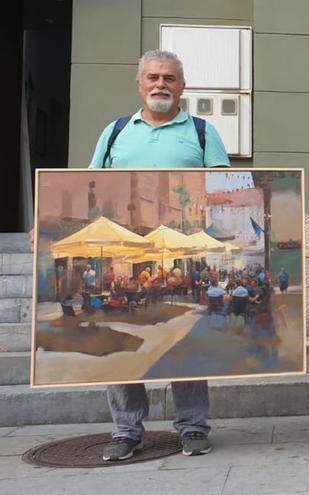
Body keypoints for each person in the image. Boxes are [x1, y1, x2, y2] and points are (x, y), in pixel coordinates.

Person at [87, 49, 230, 462]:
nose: (160, 85)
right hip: (123, 243)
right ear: (139, 84)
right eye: (152, 77)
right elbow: (90, 181)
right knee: (120, 337)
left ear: (182, 86)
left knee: (185, 340)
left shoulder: (203, 132)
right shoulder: (114, 132)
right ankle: (126, 430)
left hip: (180, 240)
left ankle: (192, 427)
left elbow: (218, 188)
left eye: (169, 78)